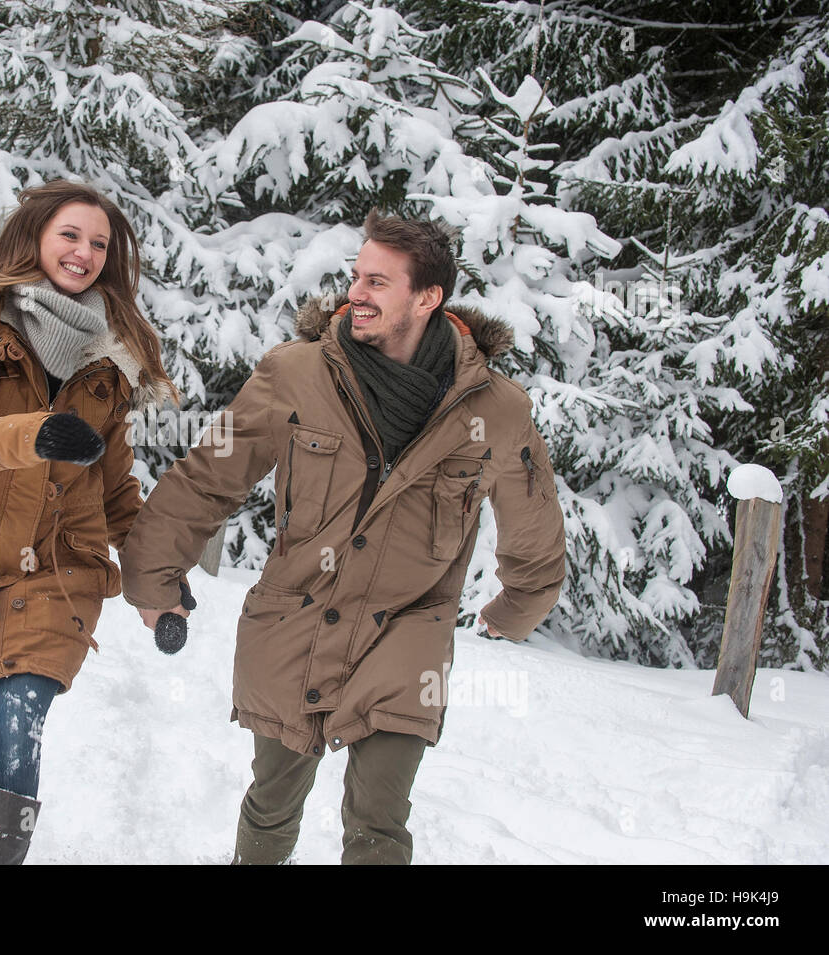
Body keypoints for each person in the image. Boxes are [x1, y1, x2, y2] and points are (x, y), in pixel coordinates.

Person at [119, 211, 567, 864]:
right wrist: (154, 576)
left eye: (378, 281)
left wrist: (516, 607)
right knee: (272, 803)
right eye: (357, 275)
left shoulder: (494, 409)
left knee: (378, 821)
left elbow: (533, 519)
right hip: (295, 618)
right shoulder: (298, 373)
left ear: (427, 297)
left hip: (408, 626)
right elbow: (210, 475)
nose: (356, 291)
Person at [0, 180, 176, 865]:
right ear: (36, 237)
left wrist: (156, 585)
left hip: (58, 574)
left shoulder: (109, 367)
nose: (84, 252)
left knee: (17, 729)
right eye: (71, 235)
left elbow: (117, 494)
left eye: (99, 244)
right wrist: (32, 436)